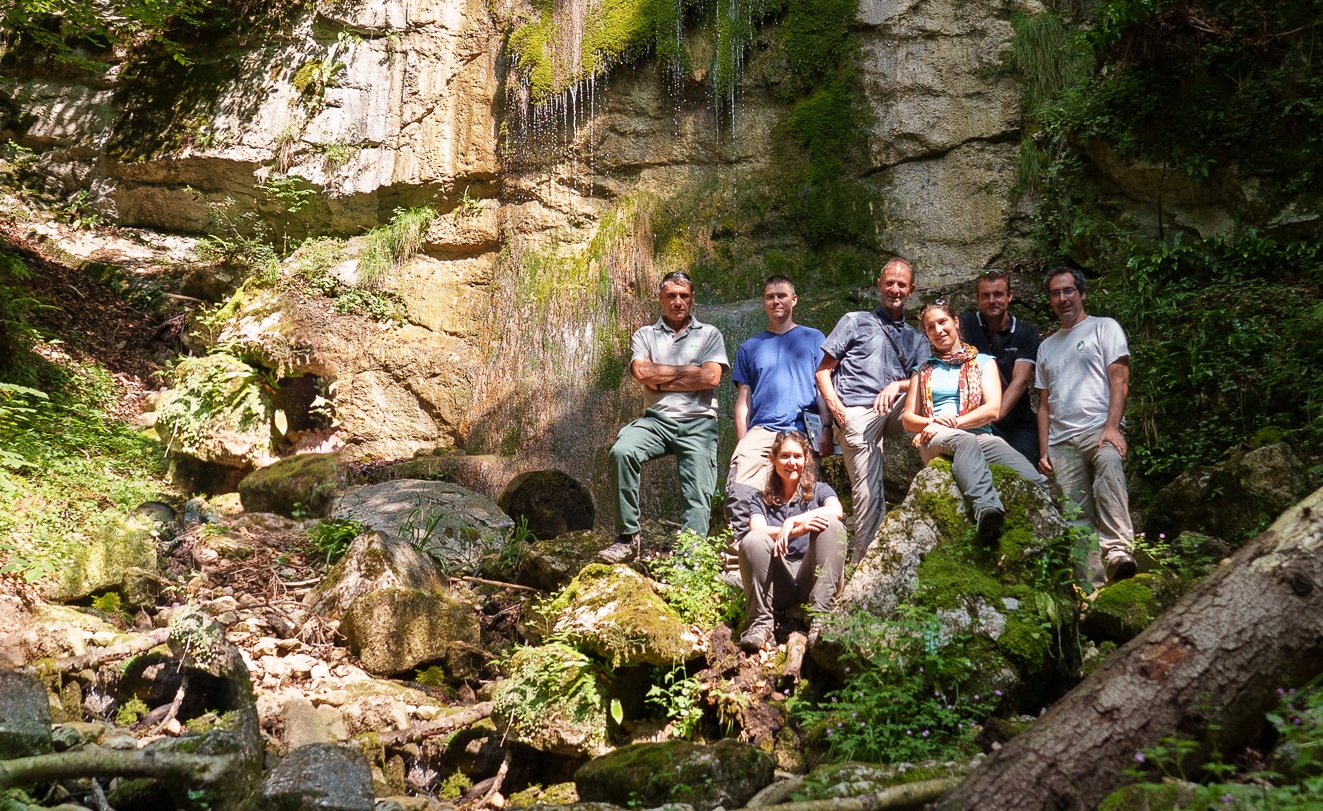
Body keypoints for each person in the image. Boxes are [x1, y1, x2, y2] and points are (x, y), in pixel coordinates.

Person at [602, 271, 730, 563]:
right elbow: (641, 373)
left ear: (692, 299)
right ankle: (627, 538)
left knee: (698, 492)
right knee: (622, 451)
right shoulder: (644, 335)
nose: (677, 302)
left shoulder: (709, 333)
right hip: (656, 420)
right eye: (671, 295)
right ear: (661, 298)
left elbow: (711, 377)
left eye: (684, 296)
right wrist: (688, 374)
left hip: (698, 422)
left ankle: (689, 560)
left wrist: (660, 379)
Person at [902, 301, 1047, 542]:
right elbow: (908, 419)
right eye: (930, 327)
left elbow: (992, 409)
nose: (938, 330)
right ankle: (986, 508)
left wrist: (951, 422)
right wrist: (934, 420)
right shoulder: (923, 369)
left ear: (955, 322)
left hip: (978, 435)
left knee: (1034, 479)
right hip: (935, 438)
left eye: (942, 322)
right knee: (964, 441)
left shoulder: (984, 362)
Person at [815, 257, 929, 560]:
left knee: (931, 388)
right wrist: (836, 412)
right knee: (869, 490)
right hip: (856, 411)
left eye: (901, 284)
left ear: (911, 290)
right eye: (889, 282)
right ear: (879, 285)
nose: (894, 288)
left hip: (894, 408)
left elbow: (929, 378)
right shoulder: (855, 320)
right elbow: (822, 372)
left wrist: (898, 386)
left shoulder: (917, 338)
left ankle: (947, 448)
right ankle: (865, 563)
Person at [1035, 267, 1138, 588]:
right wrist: (1043, 451)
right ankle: (1091, 587)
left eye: (1068, 291)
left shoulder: (1104, 328)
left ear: (1081, 293)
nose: (1062, 298)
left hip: (1099, 428)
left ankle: (1118, 552)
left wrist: (1113, 427)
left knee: (1109, 470)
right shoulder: (1046, 347)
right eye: (1055, 293)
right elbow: (1044, 404)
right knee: (1075, 514)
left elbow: (1119, 379)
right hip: (1061, 442)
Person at [724, 276, 828, 567]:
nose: (776, 301)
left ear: (794, 300)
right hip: (762, 429)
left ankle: (799, 562)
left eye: (782, 295)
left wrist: (828, 430)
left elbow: (821, 387)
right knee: (741, 486)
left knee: (804, 493)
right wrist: (743, 439)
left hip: (800, 428)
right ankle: (740, 558)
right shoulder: (750, 347)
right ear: (764, 302)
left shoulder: (814, 338)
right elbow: (743, 399)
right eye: (770, 297)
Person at [738, 430, 847, 652]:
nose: (792, 462)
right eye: (785, 456)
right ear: (773, 459)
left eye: (797, 456)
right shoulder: (760, 499)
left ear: (806, 460)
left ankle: (821, 617)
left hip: (813, 577)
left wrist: (794, 521)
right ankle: (760, 625)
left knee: (832, 526)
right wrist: (798, 531)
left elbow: (836, 511)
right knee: (753, 540)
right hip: (780, 582)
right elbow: (756, 529)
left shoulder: (820, 491)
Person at [959, 269, 1041, 466]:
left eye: (998, 294)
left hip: (1016, 422)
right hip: (975, 418)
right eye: (985, 295)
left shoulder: (1026, 333)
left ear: (1009, 296)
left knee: (1024, 471)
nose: (992, 300)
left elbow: (1020, 382)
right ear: (978, 299)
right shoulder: (967, 325)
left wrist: (992, 415)